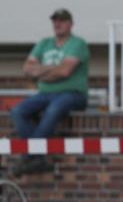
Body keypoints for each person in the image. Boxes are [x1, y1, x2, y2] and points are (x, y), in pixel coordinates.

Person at [10, 9, 89, 176]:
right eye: (55, 21)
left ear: (70, 24)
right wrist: (54, 69)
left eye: (62, 20)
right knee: (18, 110)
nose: (57, 24)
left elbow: (65, 72)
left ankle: (28, 156)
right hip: (45, 93)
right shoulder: (44, 43)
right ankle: (37, 158)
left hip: (73, 93)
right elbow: (27, 69)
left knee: (53, 109)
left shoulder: (77, 43)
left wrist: (41, 71)